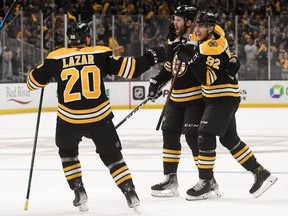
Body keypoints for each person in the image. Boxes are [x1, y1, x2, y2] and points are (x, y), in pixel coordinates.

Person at [26, 21, 165, 212]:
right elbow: (131, 69)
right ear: (88, 38)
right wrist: (153, 56)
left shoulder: (55, 56)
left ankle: (79, 191)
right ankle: (129, 192)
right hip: (99, 117)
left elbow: (32, 83)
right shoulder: (100, 53)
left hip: (69, 120)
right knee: (113, 157)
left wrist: (38, 72)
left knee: (68, 153)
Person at [177, 11, 277, 200]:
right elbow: (226, 57)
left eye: (201, 26)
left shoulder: (211, 47)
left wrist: (191, 60)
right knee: (229, 139)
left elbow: (208, 79)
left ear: (210, 28)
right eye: (196, 25)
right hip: (221, 97)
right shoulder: (214, 37)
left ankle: (206, 183)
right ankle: (260, 173)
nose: (197, 30)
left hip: (221, 97)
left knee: (205, 135)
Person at [148, 5, 220, 198]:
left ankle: (208, 180)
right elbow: (171, 68)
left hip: (195, 99)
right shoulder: (173, 40)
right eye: (175, 19)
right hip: (175, 99)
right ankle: (170, 179)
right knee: (169, 134)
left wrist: (192, 52)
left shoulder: (201, 41)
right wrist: (157, 80)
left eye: (178, 20)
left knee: (191, 137)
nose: (174, 23)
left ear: (189, 22)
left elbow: (205, 70)